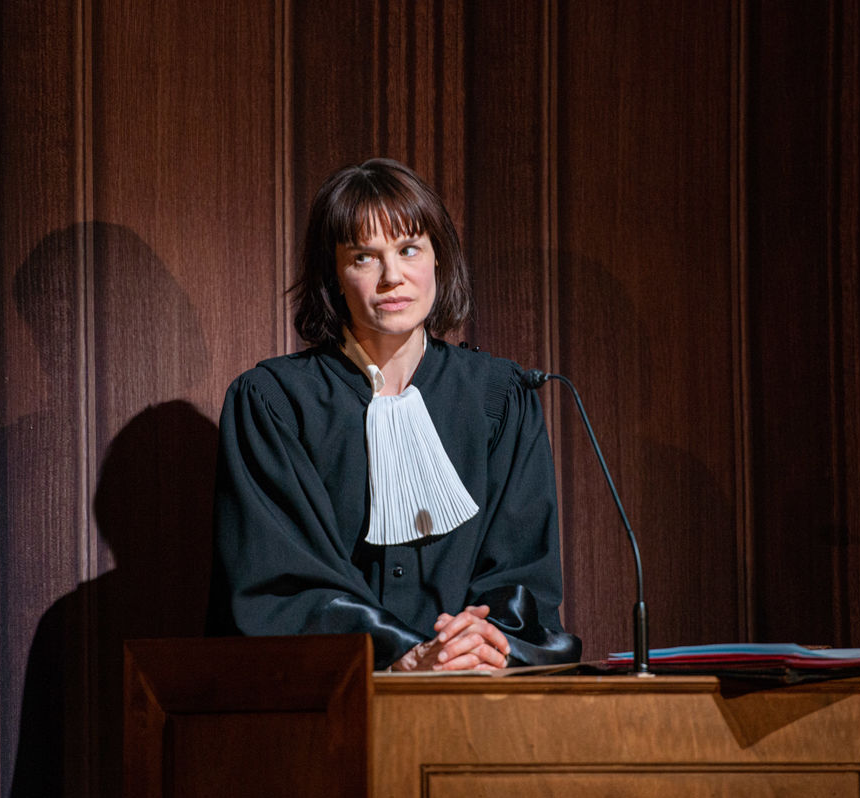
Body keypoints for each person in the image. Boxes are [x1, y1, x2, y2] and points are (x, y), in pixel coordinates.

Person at [208, 157, 581, 671]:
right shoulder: (274, 403)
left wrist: (479, 642)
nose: (392, 277)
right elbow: (278, 582)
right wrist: (402, 655)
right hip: (332, 691)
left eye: (409, 250)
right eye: (364, 257)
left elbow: (523, 576)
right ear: (334, 275)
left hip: (475, 692)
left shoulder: (500, 397)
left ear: (437, 259)